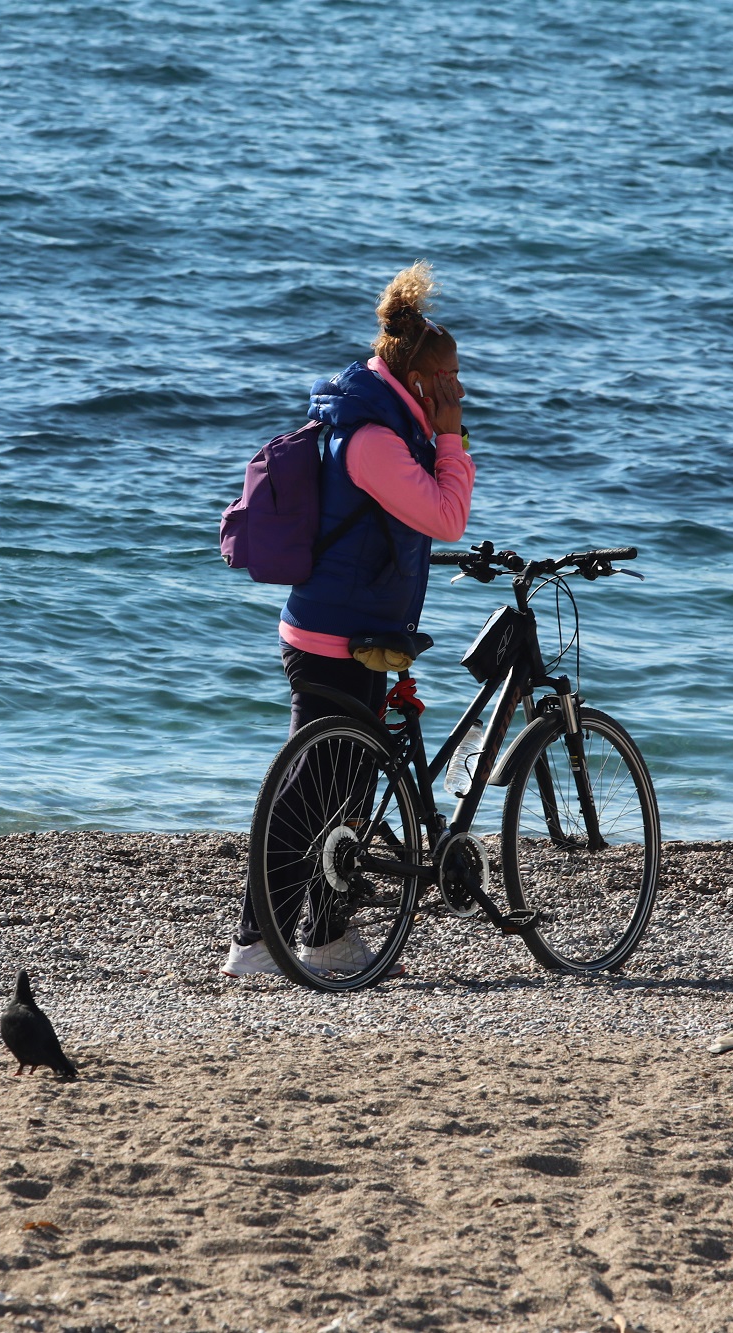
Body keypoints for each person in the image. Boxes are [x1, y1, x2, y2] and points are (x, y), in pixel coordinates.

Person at [223, 262, 475, 979]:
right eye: (450, 378)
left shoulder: (386, 418)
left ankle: (326, 937)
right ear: (419, 380)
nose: (458, 390)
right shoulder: (373, 439)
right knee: (309, 795)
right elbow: (446, 516)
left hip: (362, 635)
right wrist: (452, 440)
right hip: (331, 640)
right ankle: (253, 942)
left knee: (349, 794)